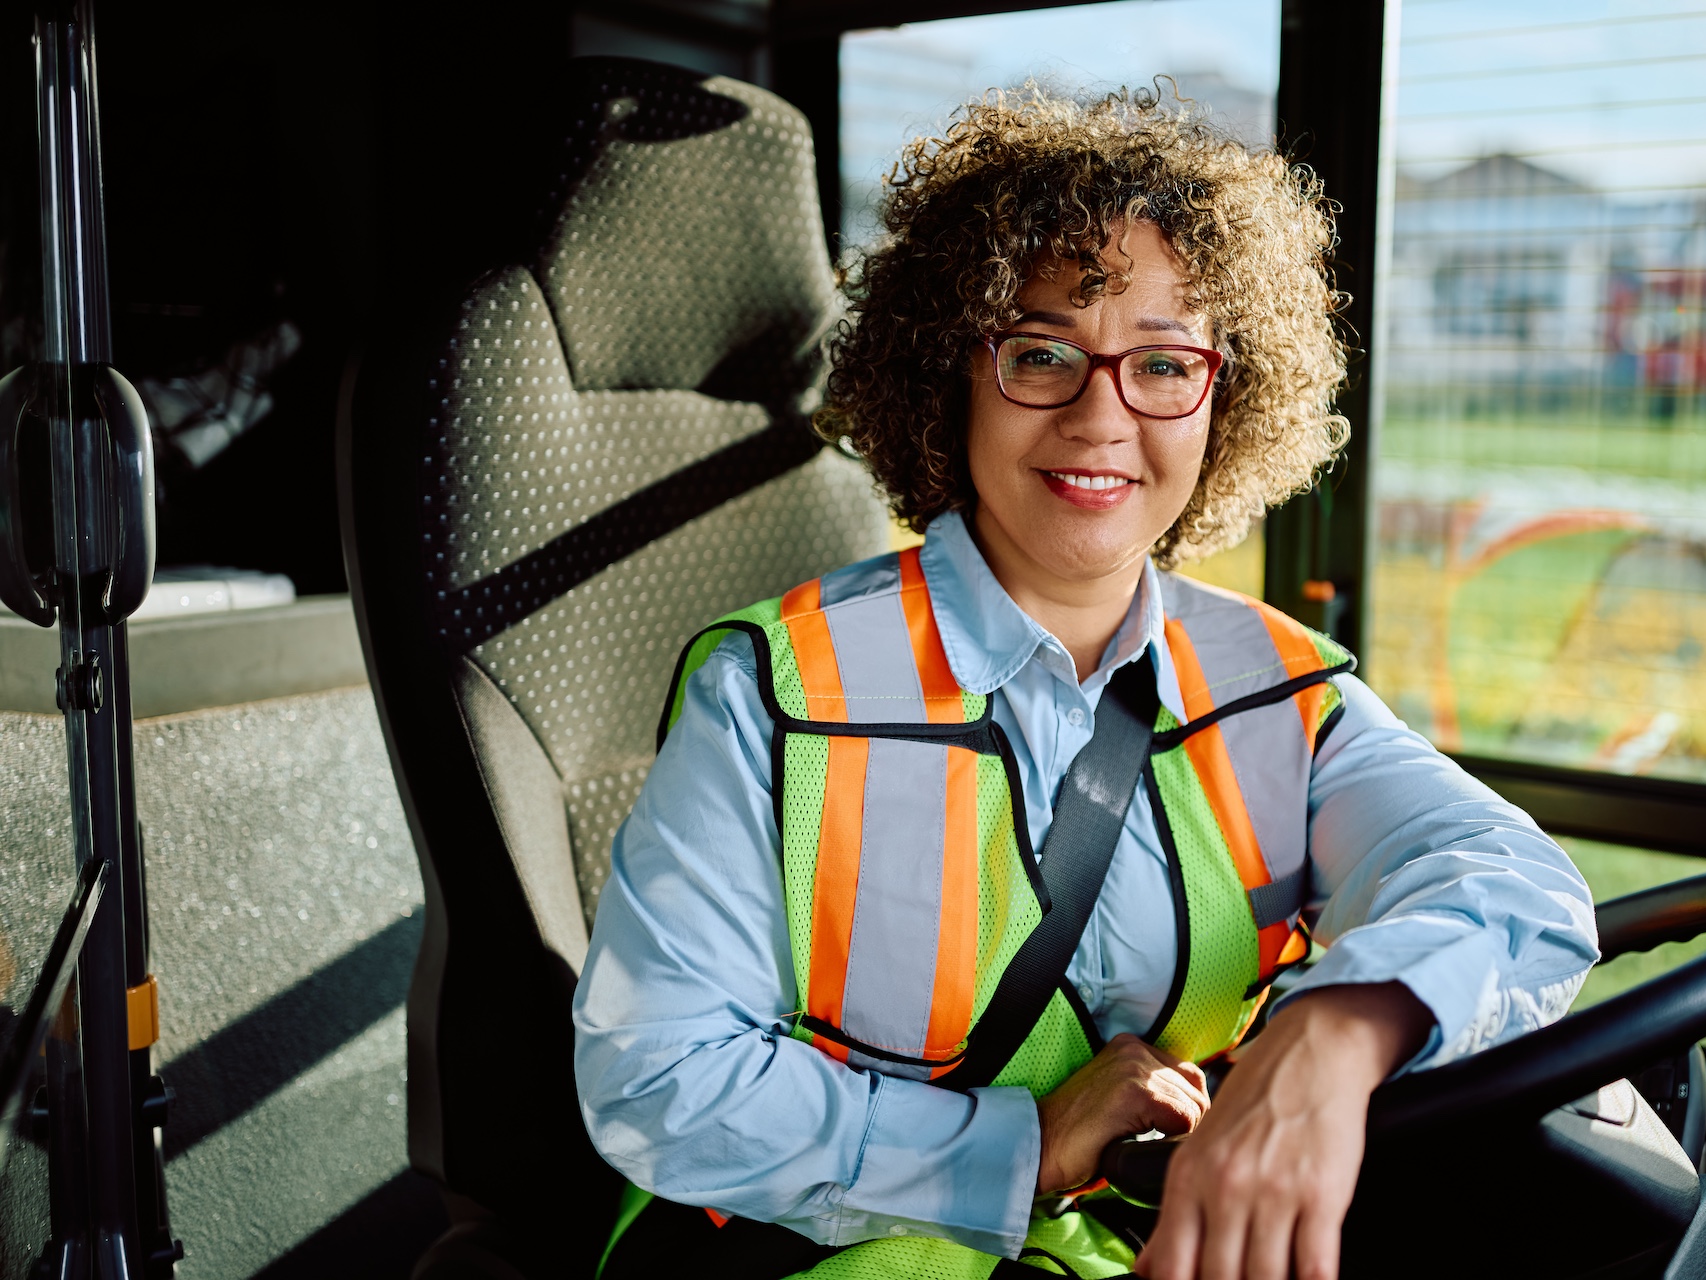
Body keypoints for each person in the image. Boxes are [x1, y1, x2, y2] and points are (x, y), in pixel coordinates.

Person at [574, 85, 1599, 1280]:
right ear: (948, 375)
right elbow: (657, 1077)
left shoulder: (1278, 691)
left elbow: (1519, 885)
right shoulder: (774, 689)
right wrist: (1013, 1146)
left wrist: (1333, 1029)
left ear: (1226, 396)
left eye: (1164, 363)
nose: (1103, 415)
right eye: (1043, 351)